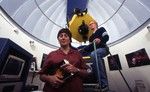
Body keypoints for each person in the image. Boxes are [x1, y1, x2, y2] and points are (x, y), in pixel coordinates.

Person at [79, 20, 109, 90]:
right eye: (89, 24)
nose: (90, 25)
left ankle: (104, 83)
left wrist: (100, 40)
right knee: (82, 53)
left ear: (96, 24)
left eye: (92, 23)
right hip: (94, 51)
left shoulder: (101, 29)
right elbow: (90, 47)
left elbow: (106, 37)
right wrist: (81, 50)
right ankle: (99, 82)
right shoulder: (91, 37)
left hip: (103, 48)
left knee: (94, 54)